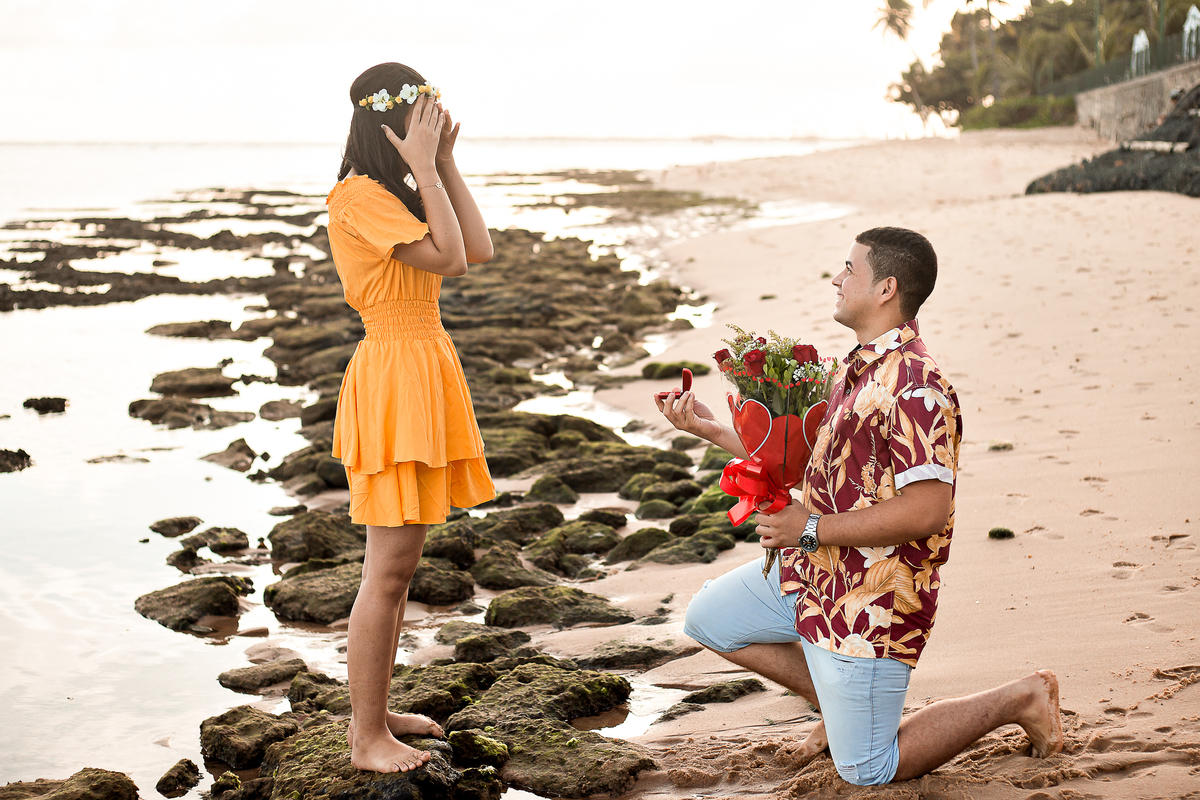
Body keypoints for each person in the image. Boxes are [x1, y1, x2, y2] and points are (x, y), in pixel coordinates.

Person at [655, 227, 1062, 786]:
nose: (836, 278)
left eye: (849, 269)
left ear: (886, 288)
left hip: (872, 602)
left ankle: (1023, 696)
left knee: (868, 768)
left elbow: (928, 510)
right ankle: (838, 707)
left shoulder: (917, 386)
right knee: (712, 618)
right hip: (813, 575)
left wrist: (811, 527)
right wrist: (710, 429)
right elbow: (802, 465)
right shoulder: (854, 366)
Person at [326, 62, 497, 774]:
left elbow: (478, 249)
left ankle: (377, 710)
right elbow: (450, 260)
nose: (430, 128)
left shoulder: (391, 192)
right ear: (389, 124)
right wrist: (425, 167)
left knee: (400, 569)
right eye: (422, 119)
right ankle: (365, 737)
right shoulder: (356, 196)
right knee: (387, 572)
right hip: (395, 374)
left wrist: (445, 165)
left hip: (423, 366)